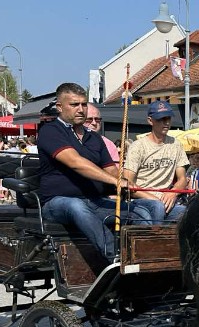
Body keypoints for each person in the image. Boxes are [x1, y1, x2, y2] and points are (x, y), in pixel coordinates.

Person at [38, 82, 143, 262]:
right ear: (59, 107)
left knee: (144, 211)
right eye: (74, 104)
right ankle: (116, 257)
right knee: (76, 206)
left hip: (94, 201)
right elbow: (76, 162)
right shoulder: (50, 131)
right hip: (58, 203)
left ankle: (144, 257)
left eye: (84, 104)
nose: (81, 109)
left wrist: (129, 184)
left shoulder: (94, 137)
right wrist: (116, 182)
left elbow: (111, 170)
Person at [123, 101, 189, 223]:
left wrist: (173, 193)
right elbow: (127, 183)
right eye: (161, 119)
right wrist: (153, 198)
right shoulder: (138, 146)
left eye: (168, 118)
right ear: (150, 121)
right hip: (141, 199)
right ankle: (155, 241)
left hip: (166, 198)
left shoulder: (176, 144)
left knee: (187, 212)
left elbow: (182, 179)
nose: (166, 122)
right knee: (157, 207)